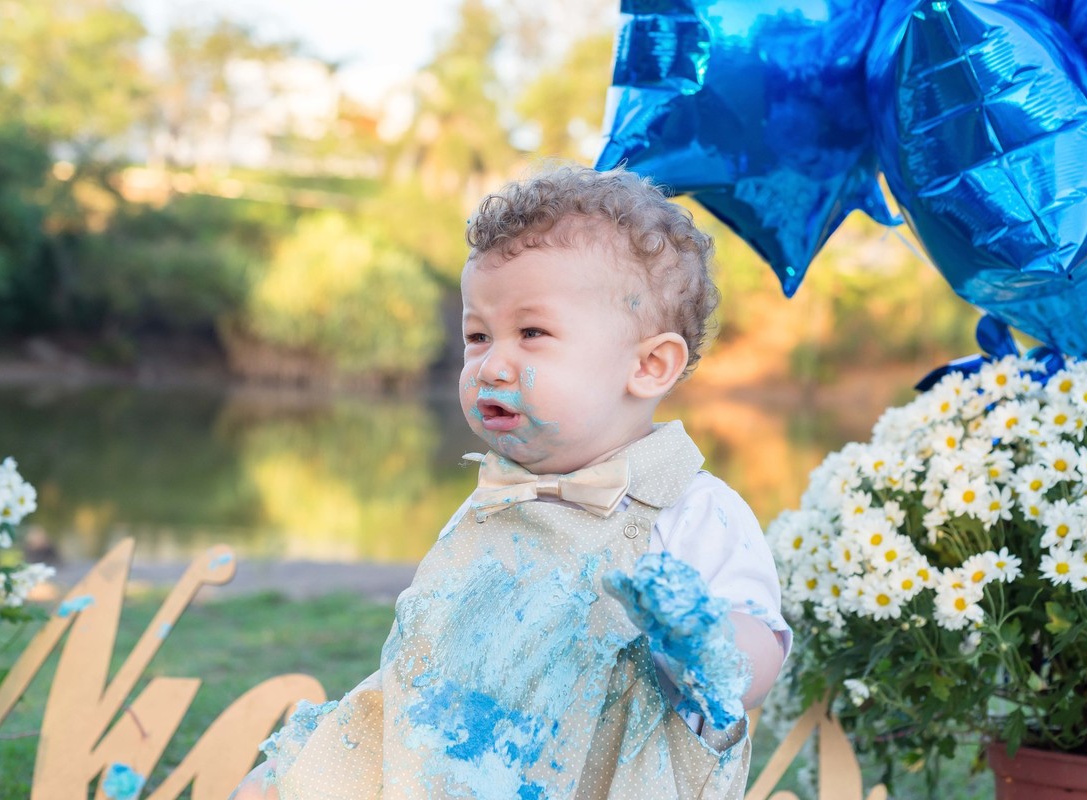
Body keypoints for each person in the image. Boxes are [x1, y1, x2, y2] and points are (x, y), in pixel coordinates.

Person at [231, 164, 791, 800]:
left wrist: (705, 639)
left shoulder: (694, 512)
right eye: (477, 335)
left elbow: (757, 663)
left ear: (648, 365)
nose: (492, 363)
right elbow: (423, 665)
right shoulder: (497, 497)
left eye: (532, 333)